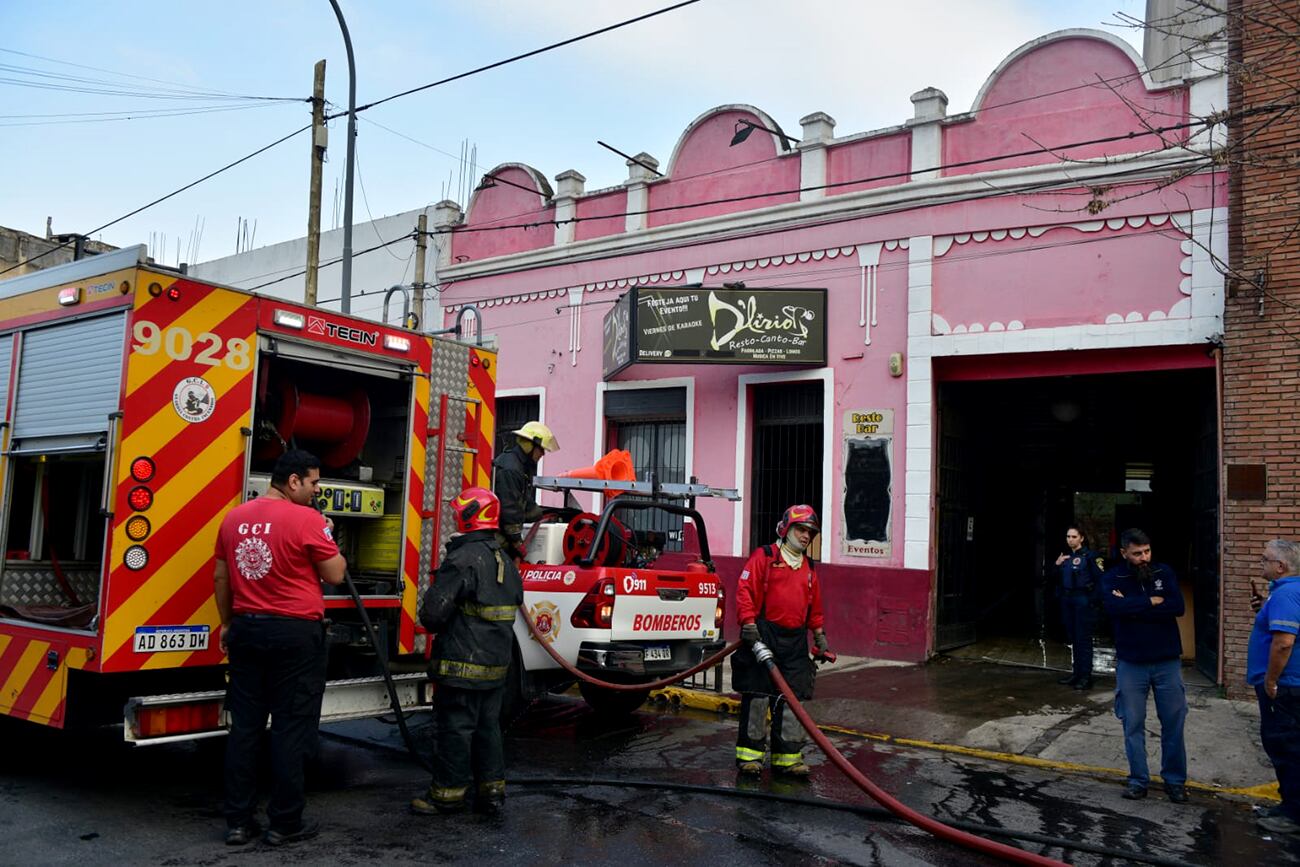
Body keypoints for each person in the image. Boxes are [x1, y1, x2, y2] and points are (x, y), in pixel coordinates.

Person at [213, 449, 346, 846]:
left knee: (245, 730)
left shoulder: (234, 517)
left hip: (247, 630)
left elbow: (221, 576)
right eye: (314, 482)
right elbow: (336, 574)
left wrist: (226, 623)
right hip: (295, 635)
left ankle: (238, 822)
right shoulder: (308, 520)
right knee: (290, 728)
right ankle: (285, 823)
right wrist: (328, 533)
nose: (316, 489)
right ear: (293, 482)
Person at [411, 486, 523, 816]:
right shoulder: (503, 559)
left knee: (456, 730)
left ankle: (446, 796)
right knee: (488, 728)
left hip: (461, 665)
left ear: (469, 516)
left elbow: (433, 616)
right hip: (495, 667)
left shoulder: (461, 559)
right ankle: (491, 794)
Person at [730, 504, 830, 777]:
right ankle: (750, 757)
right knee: (759, 696)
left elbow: (815, 606)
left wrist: (819, 634)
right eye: (801, 529)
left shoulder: (809, 568)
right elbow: (744, 591)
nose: (806, 536)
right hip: (763, 635)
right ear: (786, 529)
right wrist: (749, 624)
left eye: (810, 532)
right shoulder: (764, 557)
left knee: (793, 699)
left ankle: (788, 759)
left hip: (795, 641)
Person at [1101, 528, 1188, 804]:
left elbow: (1177, 606)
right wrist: (1149, 602)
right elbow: (1113, 609)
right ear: (1125, 552)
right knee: (1132, 723)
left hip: (1167, 661)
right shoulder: (1112, 577)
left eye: (1147, 551)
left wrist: (1132, 606)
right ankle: (1138, 780)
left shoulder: (1164, 573)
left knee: (1174, 722)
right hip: (1131, 663)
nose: (1144, 557)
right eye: (1137, 553)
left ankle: (1174, 781)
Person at [1247, 539, 1300, 836]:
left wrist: (1270, 680)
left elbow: (1283, 643)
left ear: (1280, 567)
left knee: (1286, 747)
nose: (1260, 563)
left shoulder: (1286, 595)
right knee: (1286, 746)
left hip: (1285, 689)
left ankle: (1293, 815)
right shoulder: (1282, 593)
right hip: (1289, 687)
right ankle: (1288, 805)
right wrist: (1262, 609)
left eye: (1264, 559)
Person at [492, 421, 559, 557]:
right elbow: (509, 508)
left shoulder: (520, 466)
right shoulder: (511, 469)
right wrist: (517, 542)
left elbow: (523, 501)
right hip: (496, 537)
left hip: (502, 534)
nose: (543, 454)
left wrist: (542, 513)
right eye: (541, 449)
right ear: (529, 446)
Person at [1055, 526, 1104, 690]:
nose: (1070, 539)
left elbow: (1101, 580)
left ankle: (1085, 676)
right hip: (1069, 600)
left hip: (1084, 600)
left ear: (1081, 538)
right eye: (1068, 536)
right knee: (1074, 638)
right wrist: (1057, 564)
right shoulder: (1065, 558)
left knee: (1083, 639)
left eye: (1074, 536)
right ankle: (1076, 674)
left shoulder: (1091, 556)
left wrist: (1093, 601)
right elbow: (1058, 579)